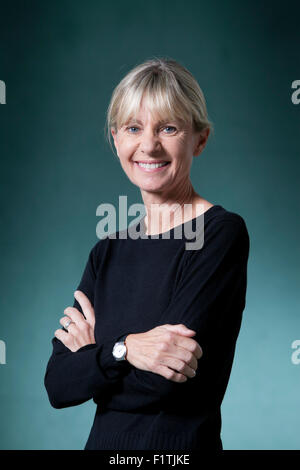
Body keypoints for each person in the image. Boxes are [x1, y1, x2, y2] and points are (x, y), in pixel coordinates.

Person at [44, 57, 250, 451]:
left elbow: (162, 384)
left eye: (168, 128)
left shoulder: (219, 234)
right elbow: (58, 384)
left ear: (200, 139)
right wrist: (129, 350)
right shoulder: (106, 252)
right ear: (116, 138)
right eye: (134, 128)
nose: (149, 145)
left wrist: (96, 358)